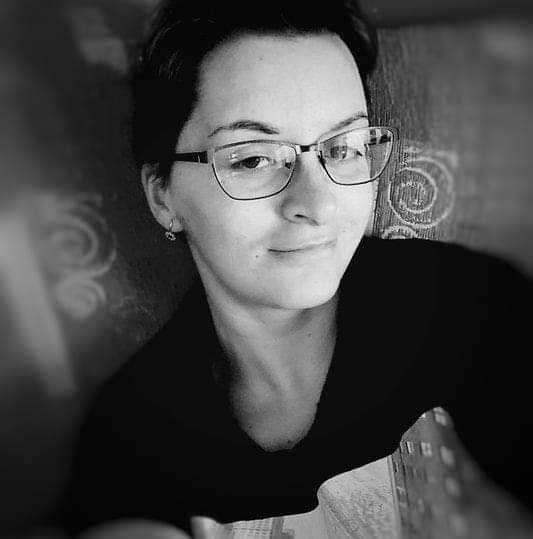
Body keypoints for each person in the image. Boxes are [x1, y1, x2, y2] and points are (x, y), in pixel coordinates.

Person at [60, 0, 533, 537]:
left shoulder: (472, 308)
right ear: (162, 196)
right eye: (252, 158)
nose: (318, 202)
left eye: (345, 148)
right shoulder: (132, 438)